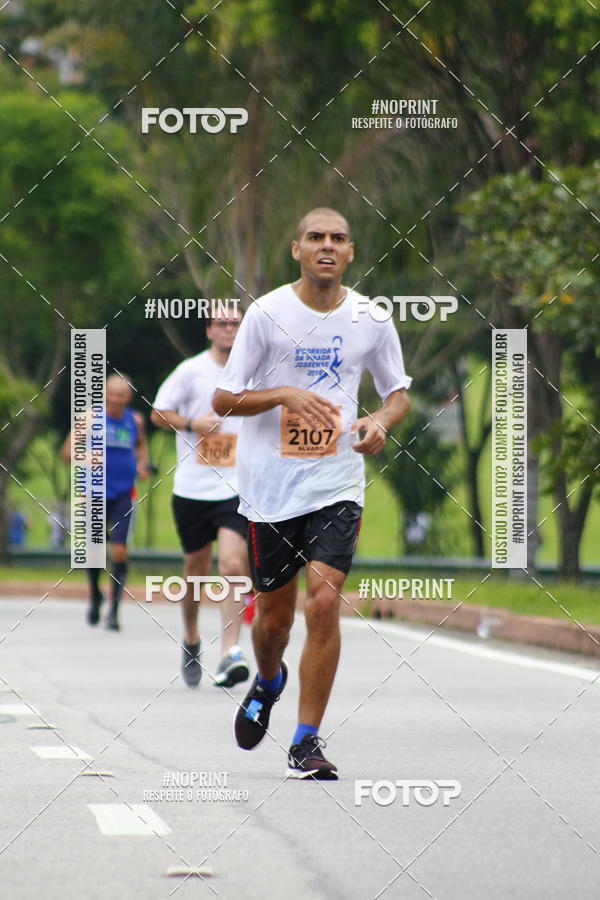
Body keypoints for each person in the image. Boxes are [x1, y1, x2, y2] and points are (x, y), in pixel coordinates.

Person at [213, 207, 411, 780]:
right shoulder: (267, 314)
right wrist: (281, 396)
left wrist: (380, 422)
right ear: (295, 249)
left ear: (351, 252)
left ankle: (306, 740)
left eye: (339, 239)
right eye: (316, 238)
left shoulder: (371, 317)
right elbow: (223, 401)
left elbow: (397, 392)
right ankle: (268, 679)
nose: (327, 246)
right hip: (270, 488)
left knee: (323, 601)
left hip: (337, 481)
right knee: (273, 622)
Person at [151, 307, 251, 690]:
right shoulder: (191, 370)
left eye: (235, 323)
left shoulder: (253, 371)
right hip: (192, 489)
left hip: (235, 488)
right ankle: (191, 638)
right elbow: (159, 412)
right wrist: (193, 424)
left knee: (231, 565)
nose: (229, 329)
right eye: (222, 323)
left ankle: (230, 652)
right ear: (210, 330)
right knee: (195, 572)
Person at [61, 375, 150, 630]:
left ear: (128, 397)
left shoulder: (135, 421)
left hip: (124, 493)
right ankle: (95, 594)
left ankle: (115, 609)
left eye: (122, 395)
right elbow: (66, 452)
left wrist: (143, 465)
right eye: (113, 394)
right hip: (95, 493)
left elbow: (141, 448)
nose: (117, 400)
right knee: (94, 551)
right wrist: (86, 456)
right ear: (105, 394)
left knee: (120, 549)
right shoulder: (89, 419)